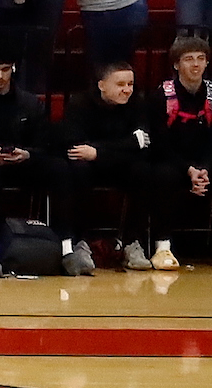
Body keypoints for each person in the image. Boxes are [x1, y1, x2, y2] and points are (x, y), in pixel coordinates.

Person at [0, 55, 89, 274]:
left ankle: (66, 247)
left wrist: (28, 154)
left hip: (22, 163)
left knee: (60, 168)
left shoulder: (30, 102)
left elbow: (46, 143)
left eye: (5, 69)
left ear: (14, 69)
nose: (0, 76)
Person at [63, 63, 162, 270]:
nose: (127, 89)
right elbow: (75, 147)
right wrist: (129, 144)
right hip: (91, 168)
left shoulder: (137, 102)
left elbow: (145, 148)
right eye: (120, 84)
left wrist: (98, 152)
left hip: (117, 165)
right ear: (101, 85)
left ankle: (131, 243)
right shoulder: (79, 103)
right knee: (77, 169)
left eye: (130, 84)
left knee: (144, 170)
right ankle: (81, 242)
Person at [142, 38, 211, 271]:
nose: (196, 65)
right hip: (171, 160)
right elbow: (159, 142)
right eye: (189, 59)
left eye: (201, 59)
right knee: (163, 176)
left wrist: (205, 169)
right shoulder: (160, 97)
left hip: (204, 162)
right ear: (176, 65)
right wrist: (188, 170)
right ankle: (162, 246)